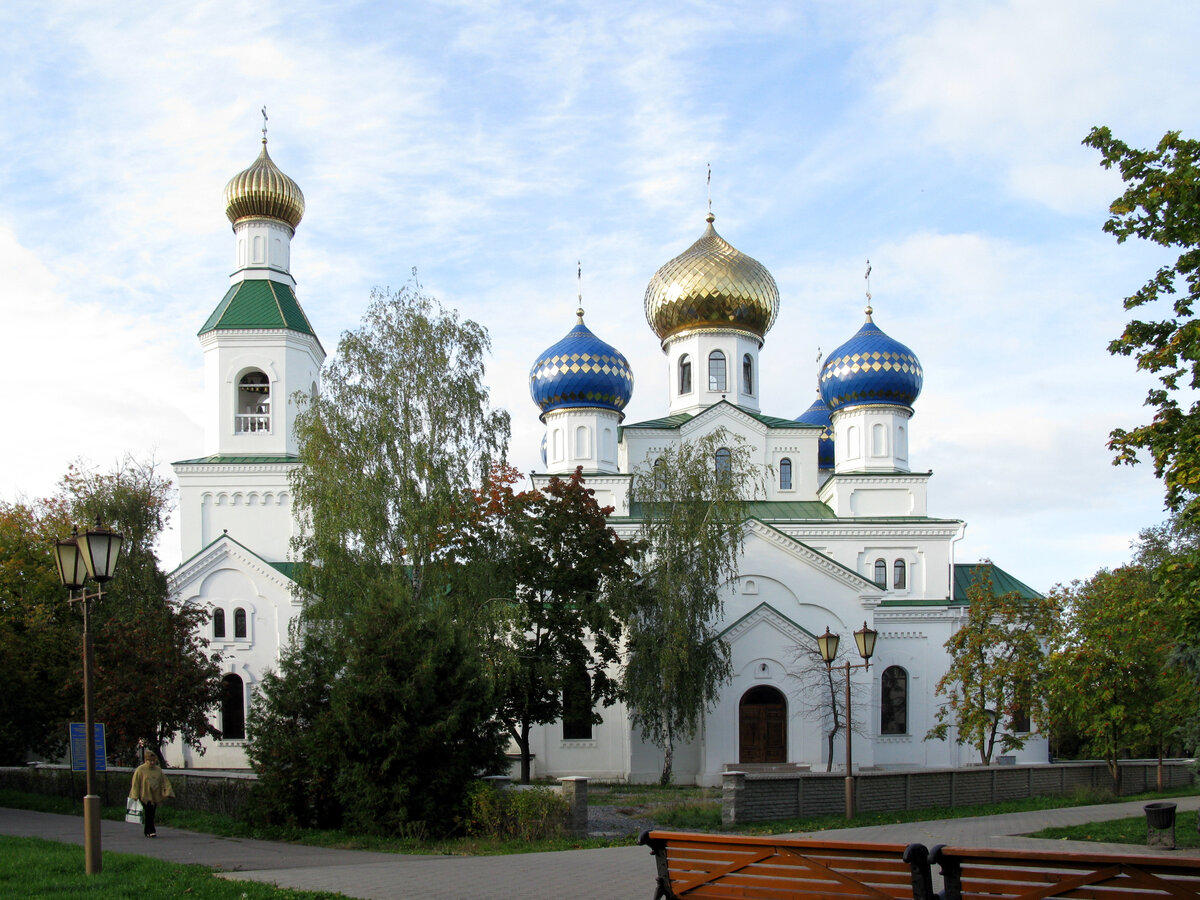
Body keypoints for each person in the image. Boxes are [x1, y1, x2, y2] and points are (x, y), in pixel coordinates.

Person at [129, 749, 173, 837]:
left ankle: (147, 831)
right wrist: (135, 795)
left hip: (155, 795)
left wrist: (168, 792)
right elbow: (136, 783)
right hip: (144, 795)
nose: (152, 762)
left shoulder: (158, 770)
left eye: (153, 761)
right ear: (146, 760)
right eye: (150, 761)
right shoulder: (140, 770)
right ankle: (151, 831)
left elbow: (165, 781)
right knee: (148, 811)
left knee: (151, 813)